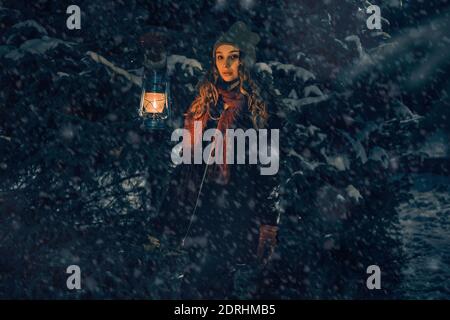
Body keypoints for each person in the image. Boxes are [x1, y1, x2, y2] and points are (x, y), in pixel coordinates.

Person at [155, 21, 280, 299]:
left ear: (243, 61)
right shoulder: (202, 105)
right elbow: (184, 168)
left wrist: (268, 224)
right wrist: (164, 219)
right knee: (192, 282)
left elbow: (269, 173)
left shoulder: (257, 109)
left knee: (220, 282)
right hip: (200, 208)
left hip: (236, 209)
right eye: (219, 57)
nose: (225, 64)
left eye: (232, 57)